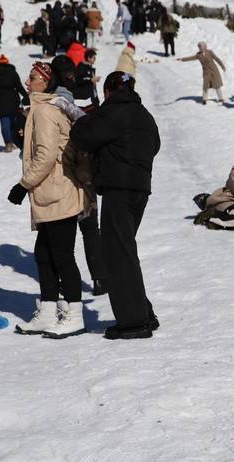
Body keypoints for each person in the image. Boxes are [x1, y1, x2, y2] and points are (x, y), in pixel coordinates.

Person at [70, 71, 161, 340]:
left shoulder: (113, 112)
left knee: (117, 254)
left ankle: (133, 323)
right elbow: (154, 144)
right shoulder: (143, 114)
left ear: (109, 90)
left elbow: (82, 136)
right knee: (124, 251)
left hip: (118, 190)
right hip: (140, 189)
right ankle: (143, 313)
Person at [6, 61, 90, 338]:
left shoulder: (43, 111)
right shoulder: (43, 108)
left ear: (46, 83)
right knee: (44, 254)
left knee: (62, 256)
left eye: (33, 78)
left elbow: (45, 156)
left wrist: (22, 185)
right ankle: (47, 310)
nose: (28, 83)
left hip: (58, 192)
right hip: (51, 193)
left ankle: (75, 315)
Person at [0, 54, 28, 153]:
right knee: (13, 124)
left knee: (5, 124)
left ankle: (8, 143)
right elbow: (19, 87)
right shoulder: (12, 72)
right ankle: (13, 142)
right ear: (7, 63)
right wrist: (26, 96)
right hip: (13, 100)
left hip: (0, 102)